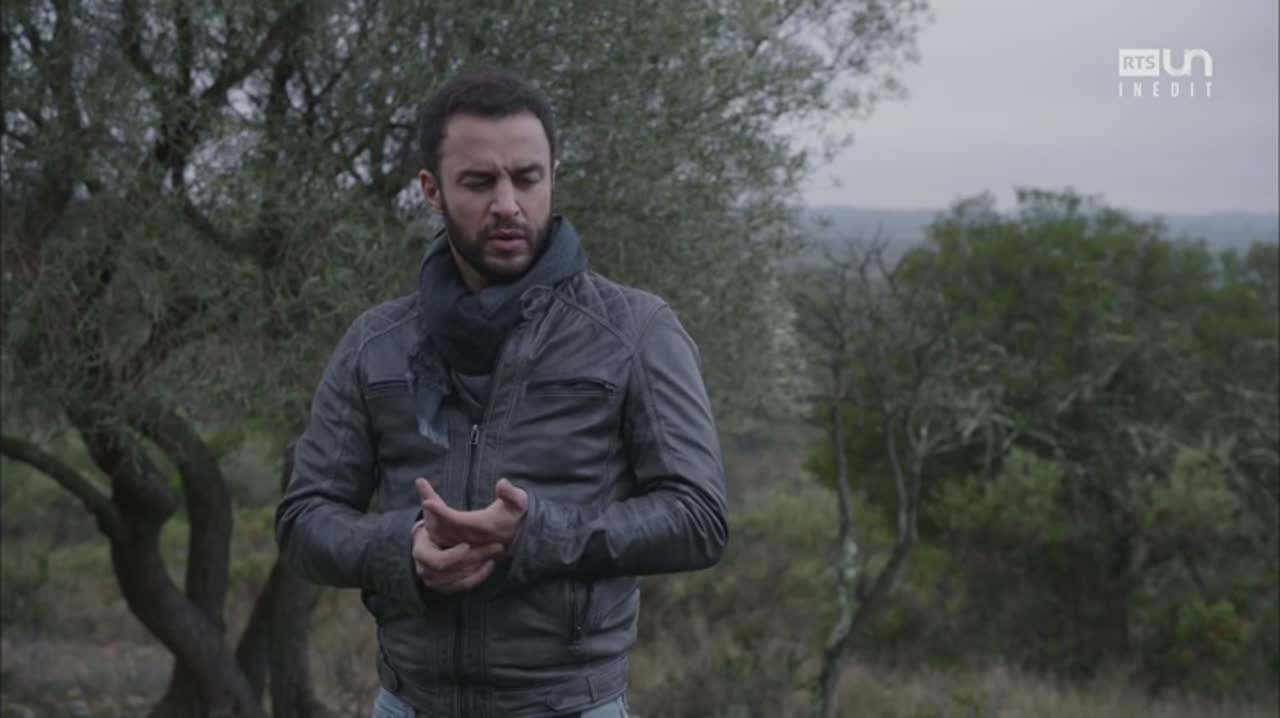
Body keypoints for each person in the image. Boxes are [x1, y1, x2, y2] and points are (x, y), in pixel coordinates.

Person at [274, 68, 729, 718]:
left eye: (527, 177)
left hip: (571, 706)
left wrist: (535, 534)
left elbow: (699, 518)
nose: (508, 204)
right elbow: (304, 521)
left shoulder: (635, 332)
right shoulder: (377, 342)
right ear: (431, 190)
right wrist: (403, 548)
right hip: (409, 704)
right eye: (479, 182)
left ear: (554, 176)